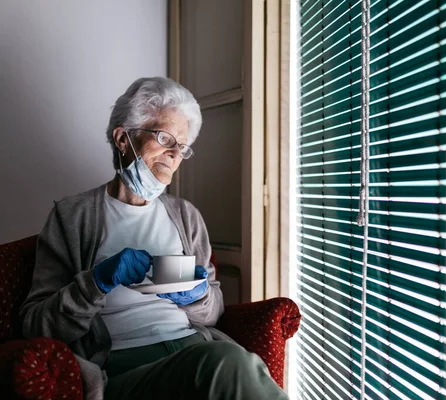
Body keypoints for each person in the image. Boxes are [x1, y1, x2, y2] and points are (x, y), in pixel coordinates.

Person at [19, 77, 288, 400]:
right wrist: (96, 282)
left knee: (227, 363)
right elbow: (35, 325)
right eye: (165, 138)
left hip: (194, 348)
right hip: (127, 368)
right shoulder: (72, 217)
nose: (175, 155)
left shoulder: (186, 216)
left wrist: (197, 295)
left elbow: (213, 310)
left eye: (183, 146)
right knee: (228, 364)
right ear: (123, 138)